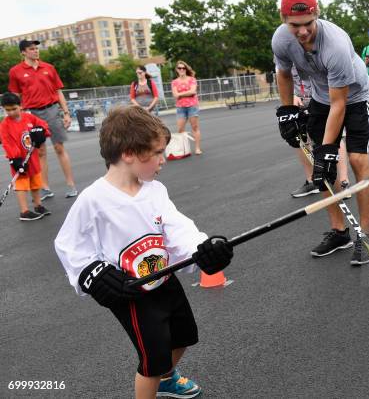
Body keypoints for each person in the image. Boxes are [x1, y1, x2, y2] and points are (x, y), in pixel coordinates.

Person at [54, 106, 233, 399]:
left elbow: (177, 227)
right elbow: (69, 244)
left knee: (184, 335)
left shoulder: (155, 190)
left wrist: (201, 249)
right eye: (158, 153)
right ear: (129, 153)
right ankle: (156, 379)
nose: (163, 160)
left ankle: (166, 379)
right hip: (131, 293)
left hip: (163, 278)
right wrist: (93, 274)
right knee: (151, 360)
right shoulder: (94, 200)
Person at [272, 0, 369, 265]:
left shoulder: (336, 44)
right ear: (284, 20)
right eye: (295, 25)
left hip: (354, 97)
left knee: (356, 159)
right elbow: (283, 75)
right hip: (320, 97)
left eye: (308, 24)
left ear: (316, 14)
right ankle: (339, 231)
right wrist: (287, 112)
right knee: (321, 166)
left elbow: (339, 103)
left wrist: (329, 148)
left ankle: (365, 235)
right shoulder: (281, 40)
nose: (302, 31)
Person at [8, 39, 78, 199]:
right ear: (23, 52)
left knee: (59, 148)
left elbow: (59, 92)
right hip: (31, 114)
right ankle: (45, 187)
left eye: (36, 48)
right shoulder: (15, 71)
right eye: (31, 49)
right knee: (40, 152)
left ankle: (71, 185)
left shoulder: (49, 68)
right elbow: (16, 97)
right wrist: (17, 118)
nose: (36, 51)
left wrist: (66, 113)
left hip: (52, 110)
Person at [290, 66, 351, 198]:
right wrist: (291, 96)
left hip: (323, 97)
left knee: (335, 137)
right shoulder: (282, 49)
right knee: (301, 138)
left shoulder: (316, 48)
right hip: (299, 99)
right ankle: (311, 181)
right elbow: (283, 74)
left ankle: (343, 182)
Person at [0, 92, 51, 221]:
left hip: (32, 158)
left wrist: (41, 132)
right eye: (7, 110)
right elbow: (7, 142)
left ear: (20, 106)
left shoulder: (29, 118)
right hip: (19, 161)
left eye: (14, 109)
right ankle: (24, 211)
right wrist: (15, 159)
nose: (11, 112)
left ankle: (38, 205)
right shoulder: (4, 125)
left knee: (35, 182)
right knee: (22, 185)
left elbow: (42, 125)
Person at [171, 61, 202, 155]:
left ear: (186, 69)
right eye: (179, 68)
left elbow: (193, 91)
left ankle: (197, 148)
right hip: (181, 107)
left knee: (195, 127)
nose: (181, 70)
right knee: (180, 129)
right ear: (177, 70)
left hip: (192, 106)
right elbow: (175, 95)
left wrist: (181, 94)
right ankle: (185, 149)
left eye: (183, 68)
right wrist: (187, 93)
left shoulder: (192, 79)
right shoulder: (174, 82)